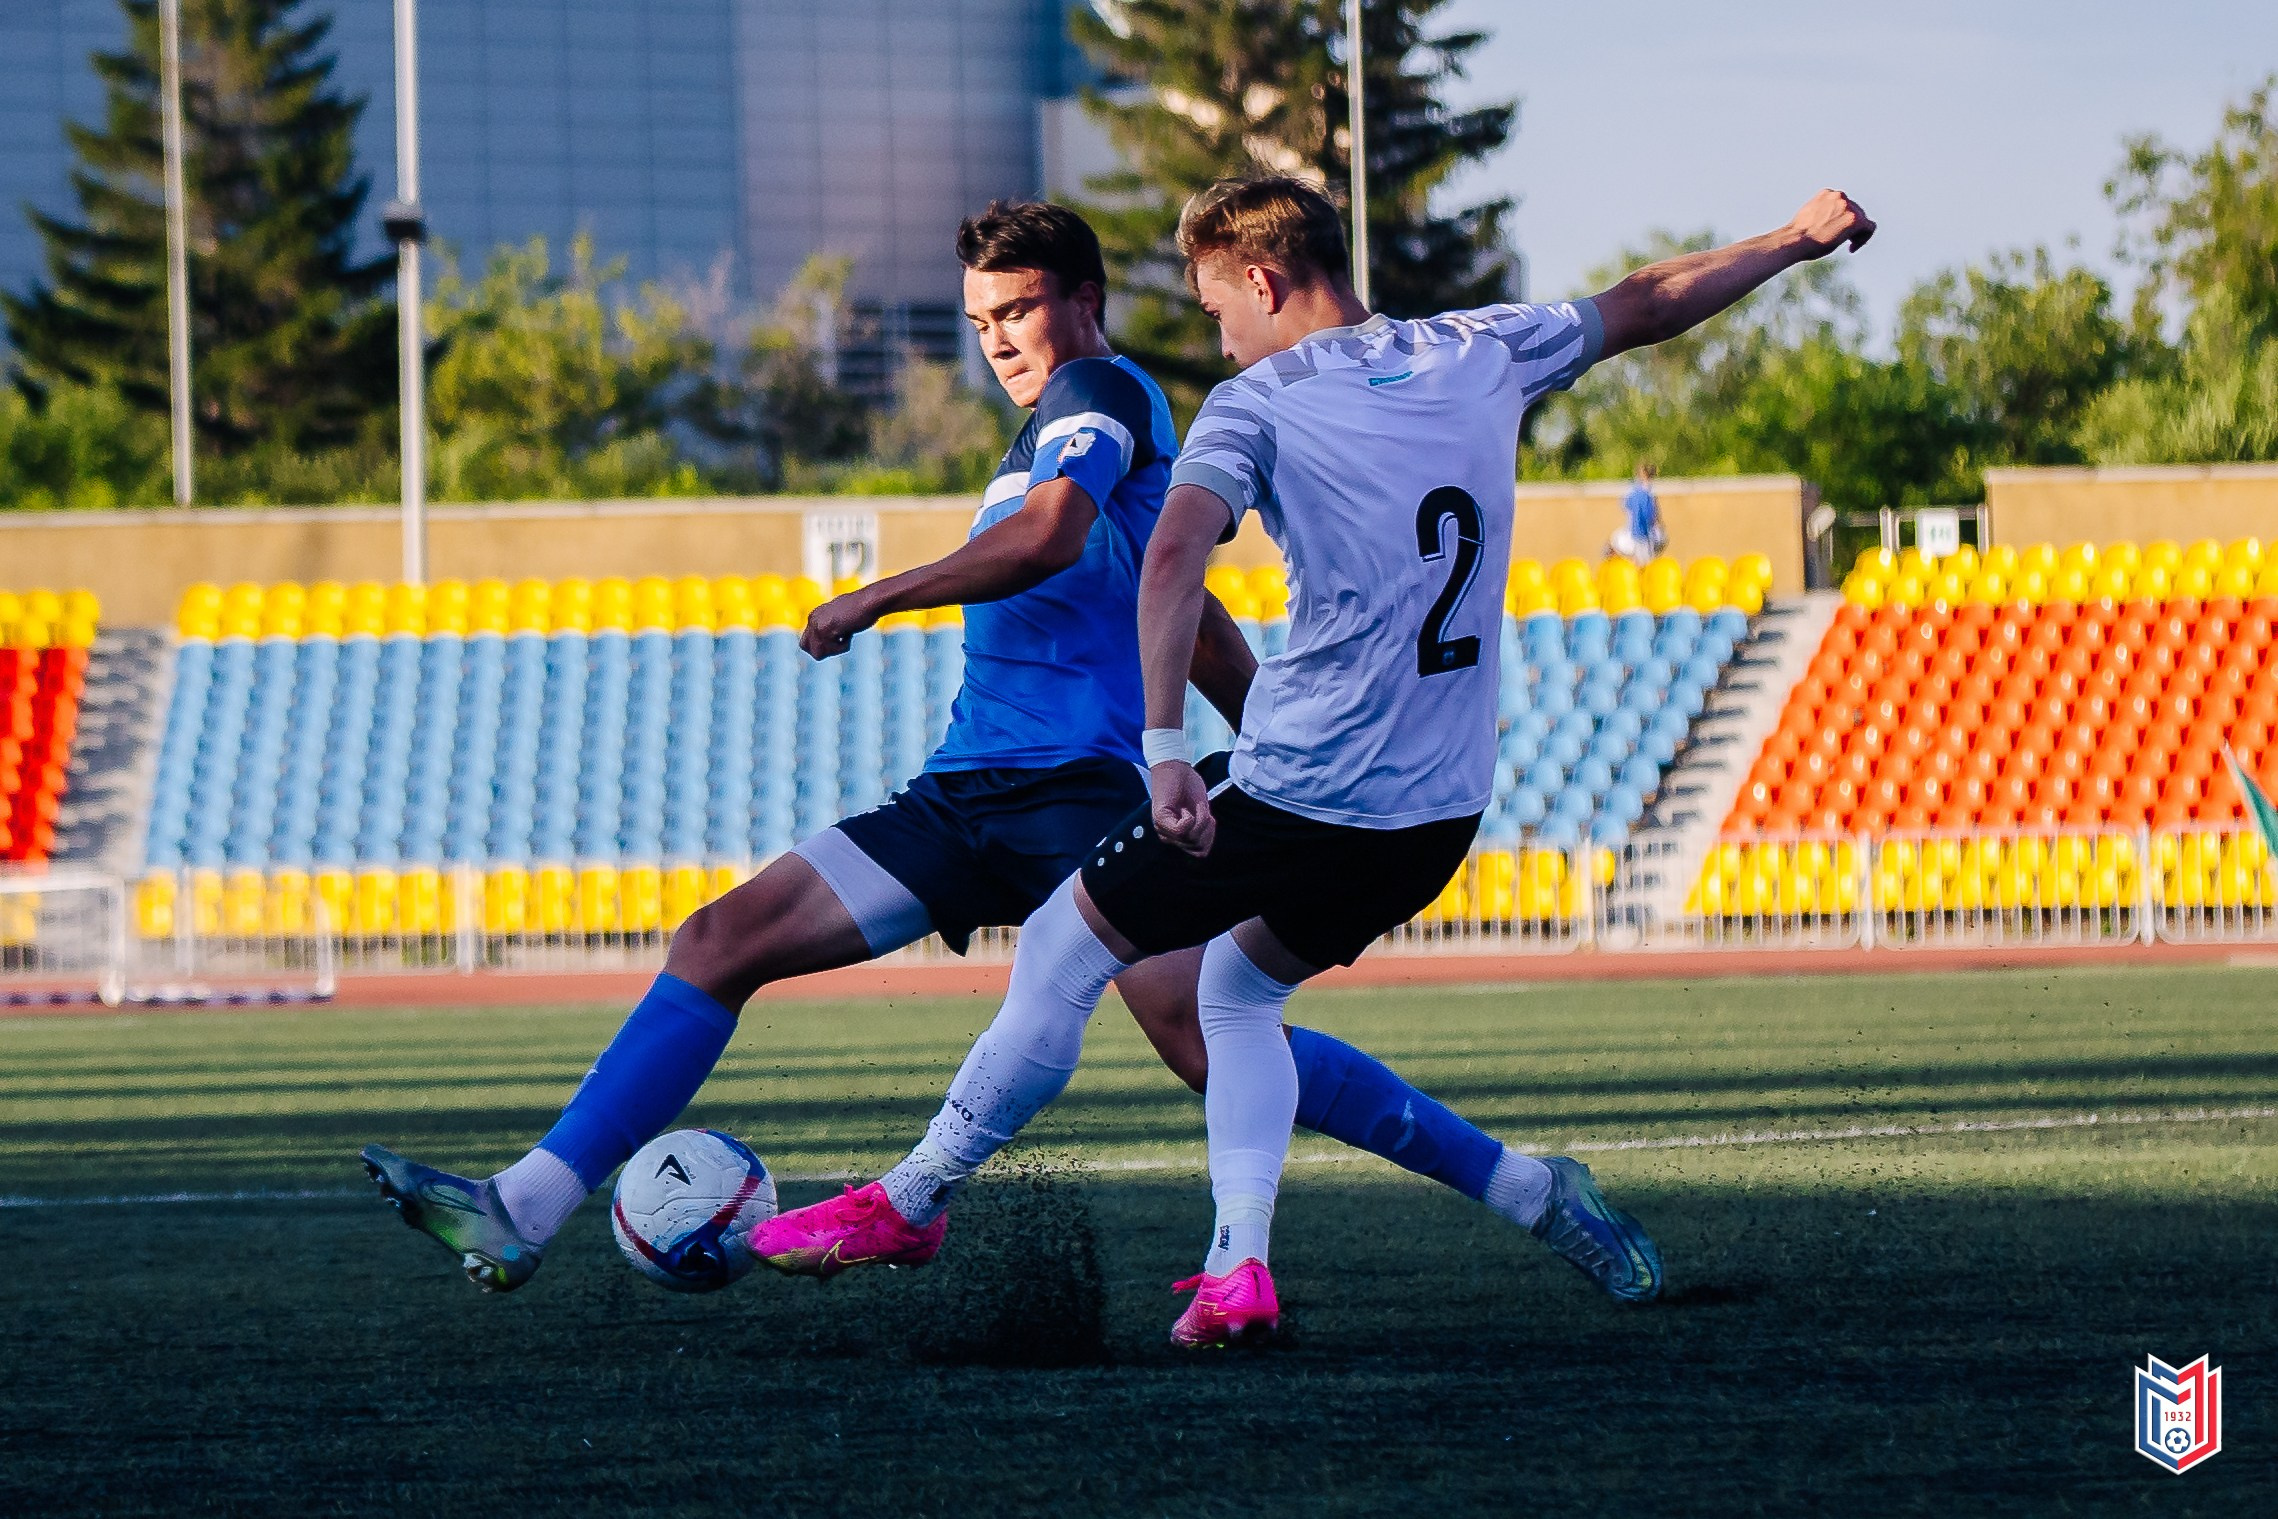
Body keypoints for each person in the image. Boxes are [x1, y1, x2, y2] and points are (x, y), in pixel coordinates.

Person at [360, 201, 1575, 1293]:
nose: (997, 337)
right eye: (981, 318)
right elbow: (1179, 605)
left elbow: (1053, 541)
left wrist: (876, 594)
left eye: (1019, 308)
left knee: (1209, 1034)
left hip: (1070, 803)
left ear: (1084, 302)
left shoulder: (1102, 397)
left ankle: (1521, 1185)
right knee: (720, 940)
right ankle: (523, 1204)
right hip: (963, 795)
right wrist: (1263, 728)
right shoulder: (1052, 431)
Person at [758, 176, 1875, 1347]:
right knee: (1232, 994)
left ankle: (914, 1194)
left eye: (1211, 308)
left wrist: (1167, 755)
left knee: (1058, 945)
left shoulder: (1254, 406)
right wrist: (1793, 240)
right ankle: (1256, 1265)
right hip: (1438, 810)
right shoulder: (1480, 347)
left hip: (1304, 787)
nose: (1216, 336)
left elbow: (1170, 561)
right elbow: (1645, 299)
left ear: (1262, 279)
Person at [1612, 462, 1666, 564]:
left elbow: (1626, 506)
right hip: (1640, 534)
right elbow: (1651, 515)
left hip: (1642, 534)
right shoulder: (1642, 492)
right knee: (1642, 560)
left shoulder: (1640, 491)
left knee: (1642, 561)